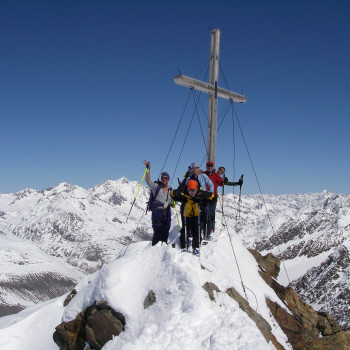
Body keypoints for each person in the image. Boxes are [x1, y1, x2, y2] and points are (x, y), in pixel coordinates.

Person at [171, 179, 214, 255]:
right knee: (185, 230)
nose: (192, 193)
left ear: (197, 189)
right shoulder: (184, 195)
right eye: (190, 190)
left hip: (196, 216)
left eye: (193, 190)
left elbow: (211, 195)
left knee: (196, 231)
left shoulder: (199, 195)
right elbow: (172, 193)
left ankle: (196, 247)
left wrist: (201, 195)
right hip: (186, 216)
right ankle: (184, 246)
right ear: (187, 189)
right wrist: (177, 192)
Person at [143, 159, 173, 246]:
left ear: (168, 179)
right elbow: (148, 180)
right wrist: (148, 169)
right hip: (157, 214)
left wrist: (171, 202)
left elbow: (173, 205)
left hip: (166, 214)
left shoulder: (171, 190)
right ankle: (154, 253)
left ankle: (163, 254)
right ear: (161, 178)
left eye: (166, 178)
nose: (164, 179)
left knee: (165, 235)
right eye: (163, 178)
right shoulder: (156, 187)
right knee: (157, 234)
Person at [203, 161, 224, 237]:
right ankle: (203, 229)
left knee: (211, 213)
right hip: (204, 196)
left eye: (211, 166)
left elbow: (221, 183)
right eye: (208, 166)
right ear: (206, 167)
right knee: (204, 213)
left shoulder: (215, 175)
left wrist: (224, 181)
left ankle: (210, 230)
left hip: (213, 196)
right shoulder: (203, 174)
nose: (210, 167)